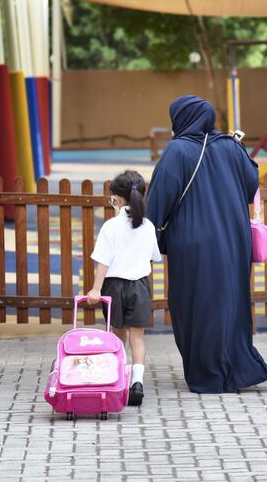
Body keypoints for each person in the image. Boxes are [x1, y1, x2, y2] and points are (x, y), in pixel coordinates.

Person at [146, 95, 267, 394]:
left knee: (195, 306)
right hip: (233, 239)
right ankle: (237, 369)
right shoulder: (230, 146)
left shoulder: (178, 150)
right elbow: (251, 183)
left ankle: (208, 374)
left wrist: (150, 236)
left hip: (193, 244)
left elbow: (159, 200)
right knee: (231, 303)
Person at [87, 170, 162, 406]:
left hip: (114, 287)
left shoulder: (111, 227)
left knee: (117, 337)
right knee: (137, 339)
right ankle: (137, 383)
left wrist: (96, 290)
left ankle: (118, 380)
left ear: (117, 199)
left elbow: (103, 262)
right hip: (139, 286)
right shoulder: (148, 226)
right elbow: (153, 257)